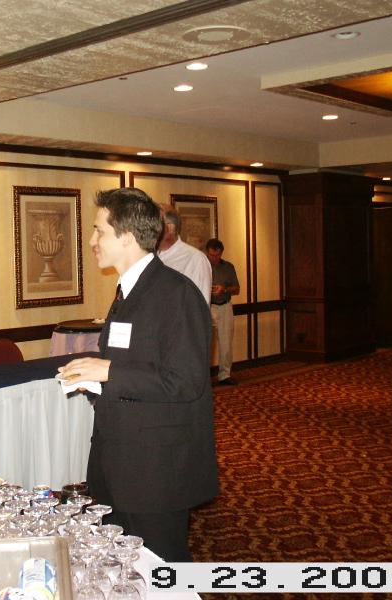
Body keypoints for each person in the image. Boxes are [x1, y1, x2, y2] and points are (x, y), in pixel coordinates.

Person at [59, 188, 218, 562]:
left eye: (99, 231)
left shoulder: (177, 294)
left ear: (127, 236)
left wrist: (108, 370)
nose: (92, 241)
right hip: (119, 461)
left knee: (163, 569)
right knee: (124, 569)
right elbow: (136, 366)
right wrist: (93, 380)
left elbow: (186, 381)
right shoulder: (127, 292)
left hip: (156, 469)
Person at [156, 204, 212, 302]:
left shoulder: (196, 260)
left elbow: (200, 306)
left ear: (170, 228)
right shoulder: (148, 256)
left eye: (154, 223)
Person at [206, 238, 240, 386]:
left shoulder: (228, 267)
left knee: (226, 344)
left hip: (225, 307)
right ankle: (204, 377)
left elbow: (237, 289)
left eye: (217, 255)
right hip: (207, 307)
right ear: (207, 252)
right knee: (206, 343)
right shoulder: (202, 265)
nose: (214, 258)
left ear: (221, 253)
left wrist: (224, 289)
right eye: (211, 255)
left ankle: (225, 375)